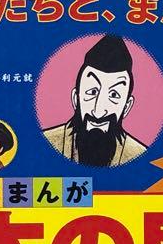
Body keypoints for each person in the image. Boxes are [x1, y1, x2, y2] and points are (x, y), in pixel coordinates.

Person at [41, 34, 148, 167]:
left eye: (114, 95)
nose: (98, 111)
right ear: (76, 99)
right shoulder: (46, 143)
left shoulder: (139, 155)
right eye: (92, 92)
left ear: (126, 107)